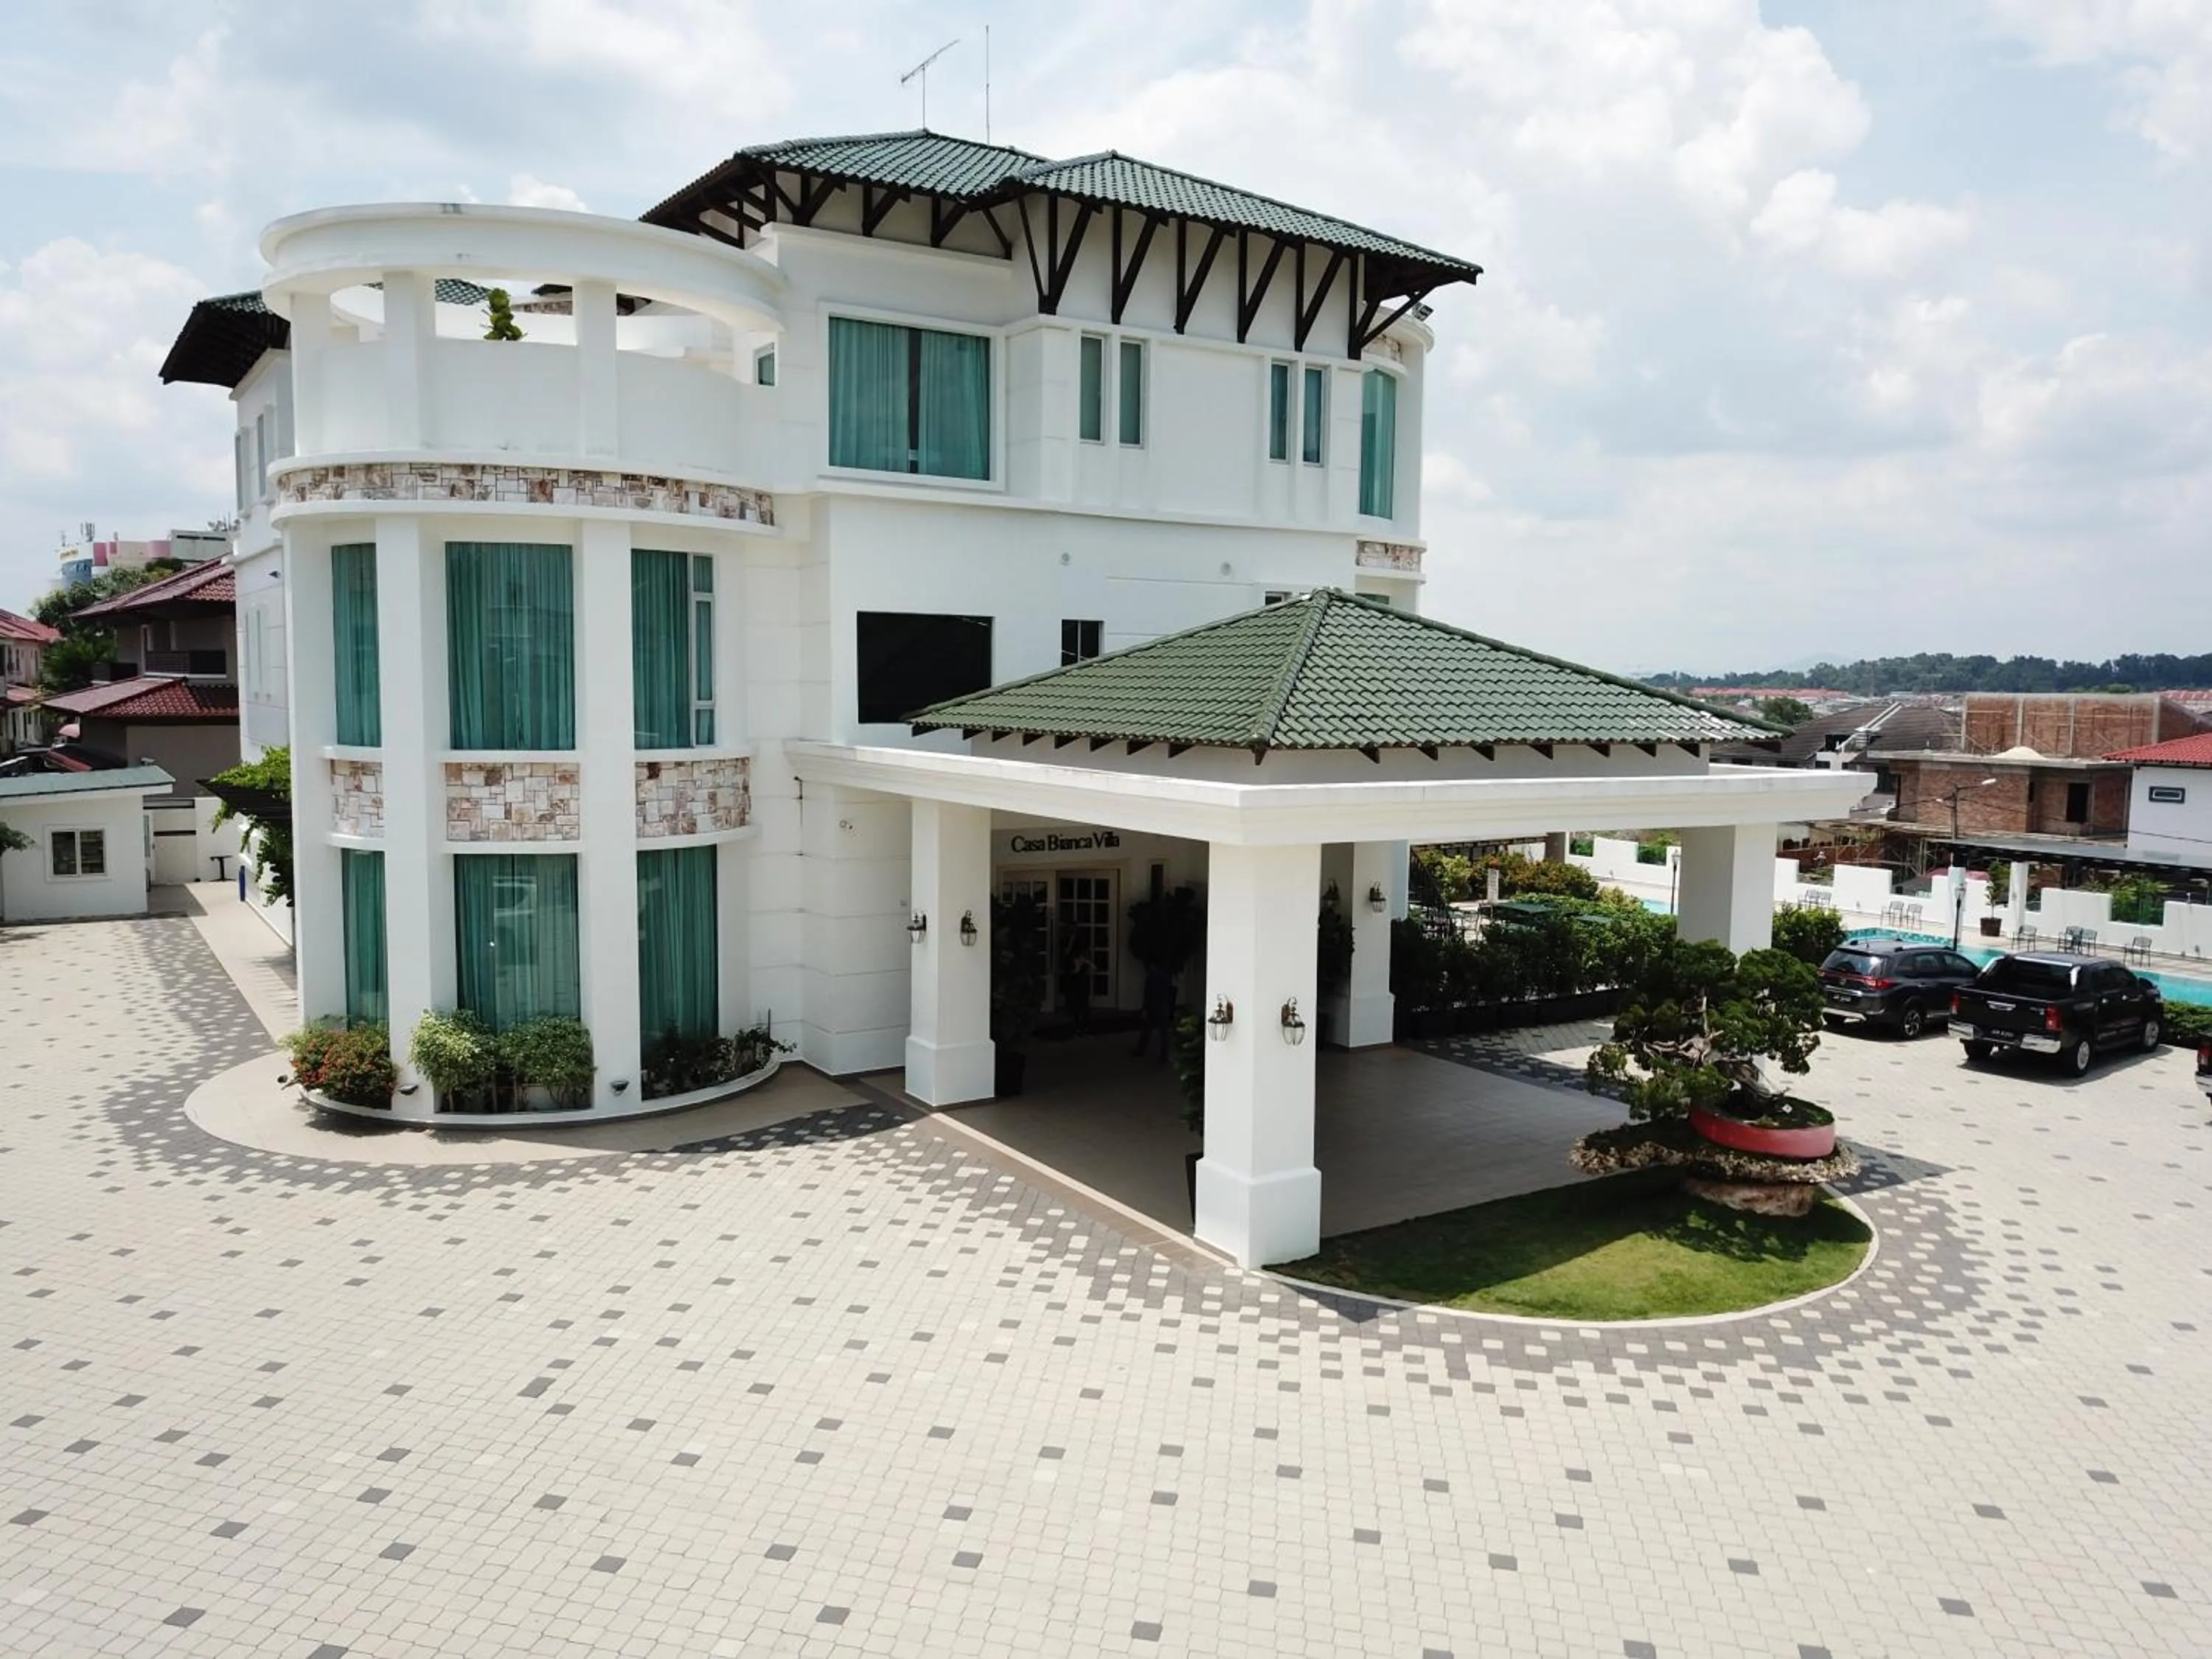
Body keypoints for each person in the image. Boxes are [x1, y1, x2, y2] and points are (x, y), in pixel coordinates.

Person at [1131, 960, 1176, 1062]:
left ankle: (1140, 1050)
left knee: (1146, 1030)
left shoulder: (1151, 977)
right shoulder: (1166, 976)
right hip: (1163, 1006)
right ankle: (1164, 1055)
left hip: (1153, 1006)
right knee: (1163, 1032)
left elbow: (1148, 995)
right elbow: (1169, 992)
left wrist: (1145, 1008)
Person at [1060, 931, 1095, 1037]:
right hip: (1076, 982)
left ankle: (1082, 1027)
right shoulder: (1071, 959)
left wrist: (1085, 965)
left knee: (1082, 1005)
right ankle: (1079, 1027)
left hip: (1080, 983)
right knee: (1079, 1005)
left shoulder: (1082, 958)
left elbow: (1092, 968)